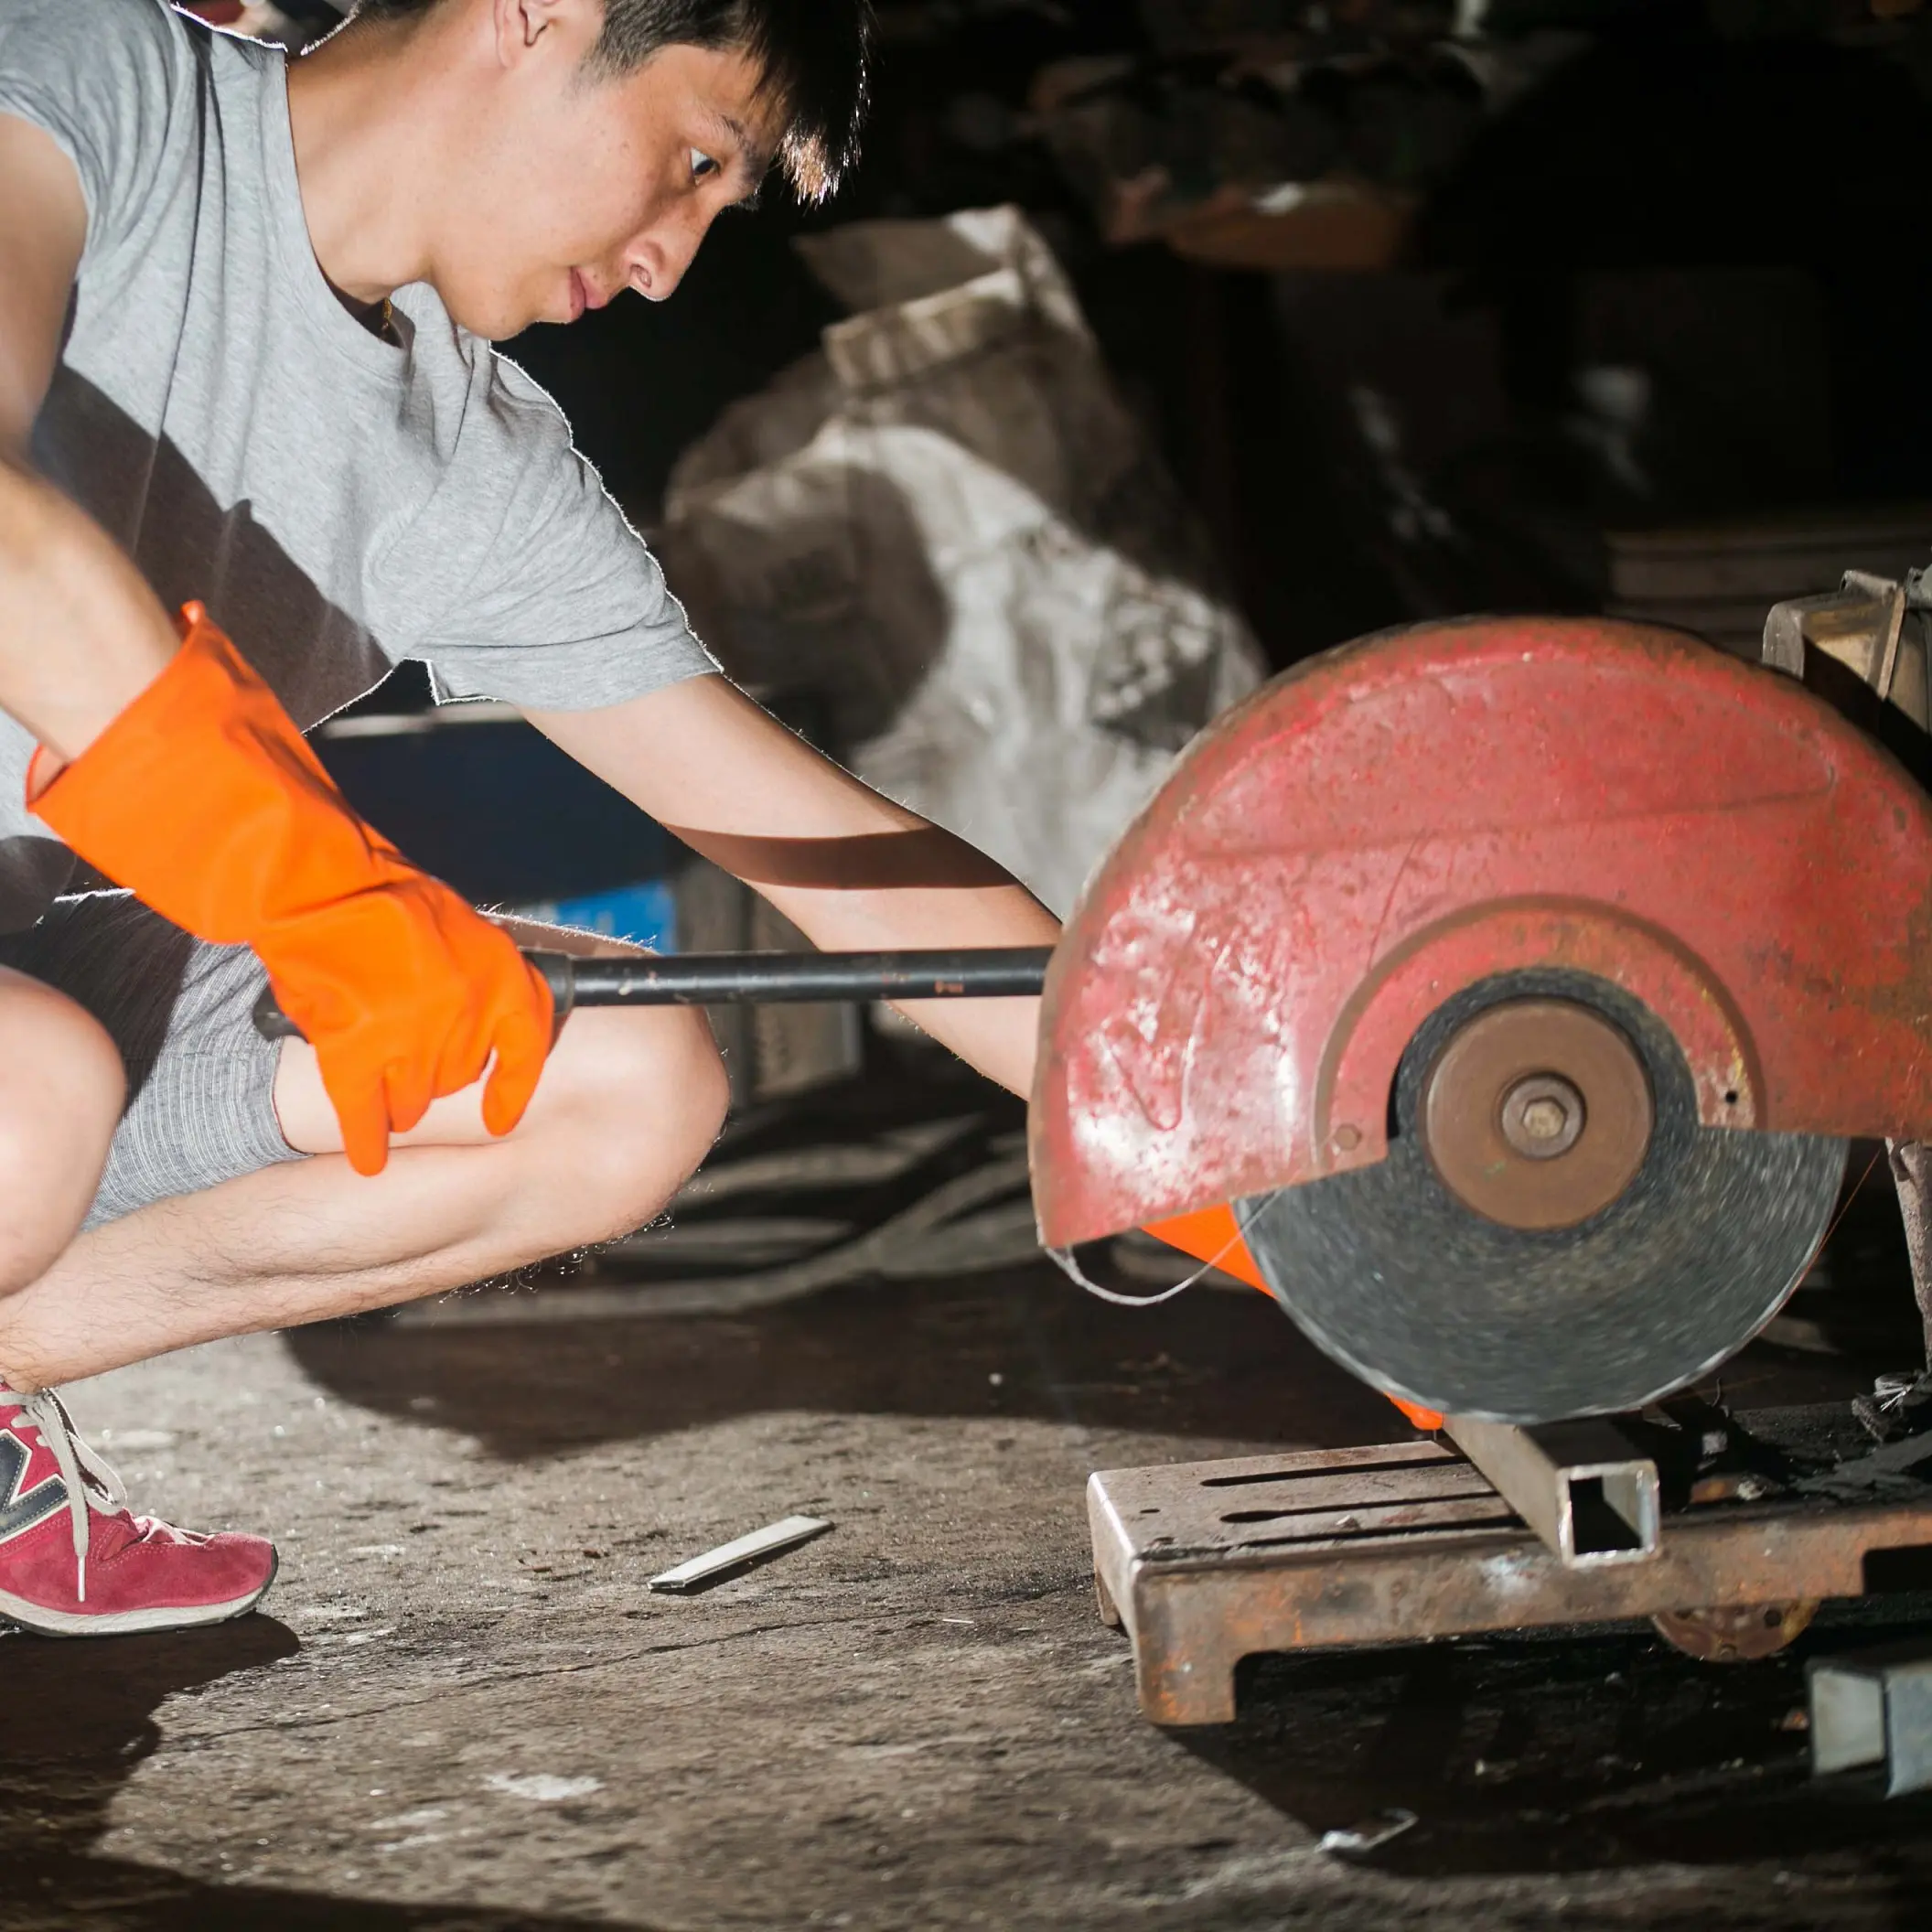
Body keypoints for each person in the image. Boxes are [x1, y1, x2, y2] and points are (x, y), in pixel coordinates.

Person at [0, 0, 1057, 1636]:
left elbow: (852, 874)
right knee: (34, 1103)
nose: (672, 263)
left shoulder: (474, 469)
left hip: (32, 946)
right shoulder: (96, 81)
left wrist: (1238, 1156)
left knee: (623, 1082)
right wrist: (314, 897)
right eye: (693, 160)